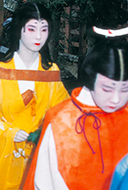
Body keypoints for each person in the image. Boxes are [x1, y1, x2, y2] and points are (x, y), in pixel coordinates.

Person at [0, 2, 70, 190]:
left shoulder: (51, 73)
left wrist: (45, 134)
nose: (39, 36)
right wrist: (8, 133)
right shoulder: (0, 72)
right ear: (19, 30)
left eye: (44, 29)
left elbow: (64, 115)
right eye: (31, 29)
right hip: (4, 159)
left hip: (39, 158)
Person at [24, 37, 128, 190]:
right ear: (91, 79)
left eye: (125, 89)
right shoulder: (63, 120)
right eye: (107, 89)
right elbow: (45, 181)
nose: (116, 99)